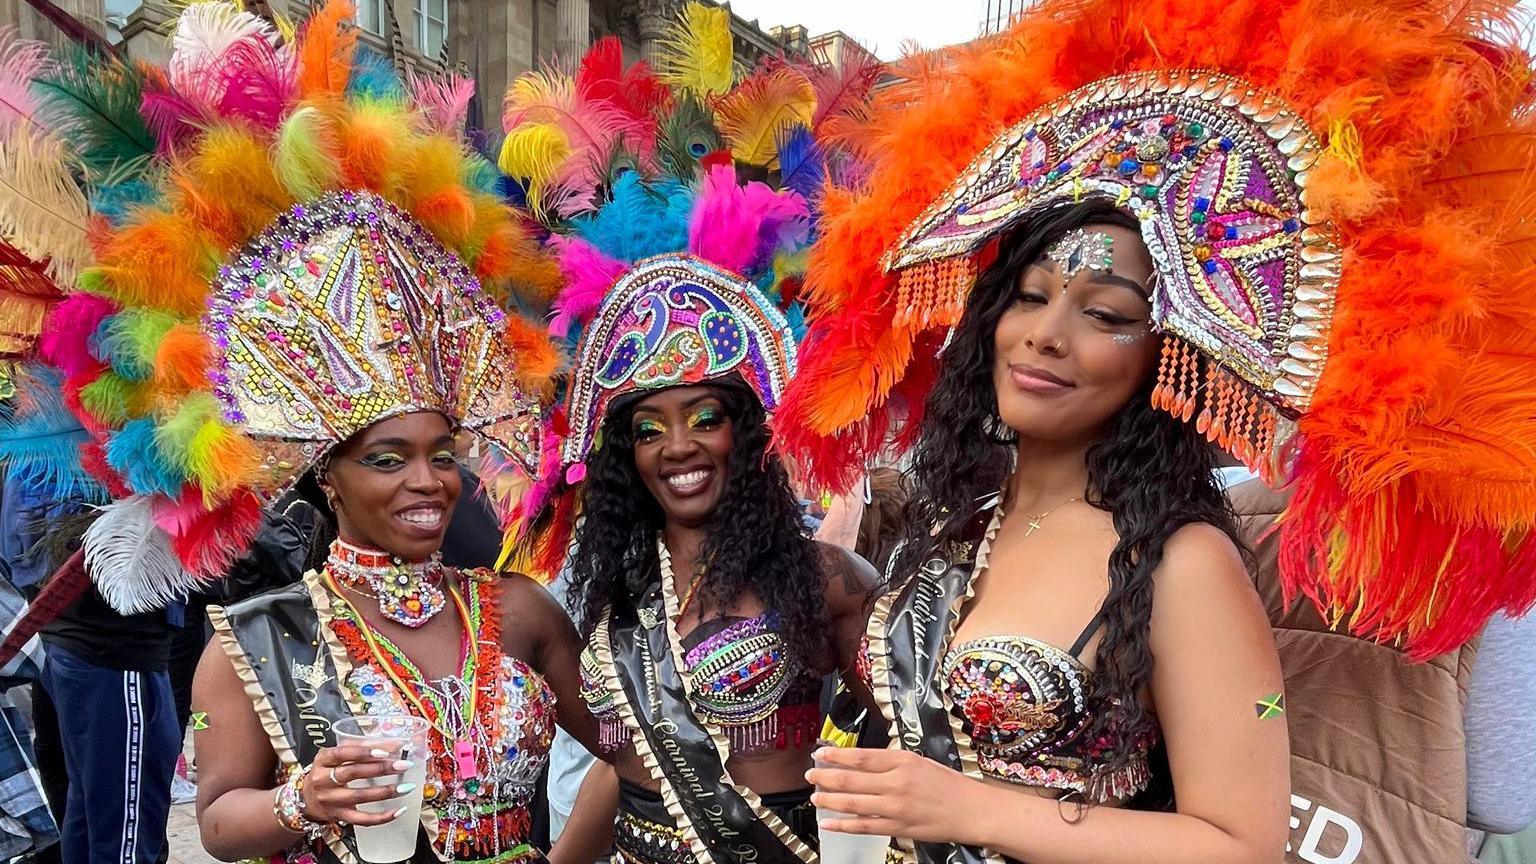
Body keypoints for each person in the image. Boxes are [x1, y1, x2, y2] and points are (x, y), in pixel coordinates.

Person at [777, 0, 1536, 861]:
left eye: (1104, 313)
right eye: (1028, 295)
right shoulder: (964, 515)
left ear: (1163, 356)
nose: (1046, 334)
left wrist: (967, 810)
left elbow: (1242, 843)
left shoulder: (1184, 563)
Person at [33, 3, 616, 861]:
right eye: (389, 458)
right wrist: (305, 798)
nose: (429, 482)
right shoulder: (259, 635)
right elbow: (222, 821)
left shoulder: (517, 610)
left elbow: (634, 750)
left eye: (441, 455)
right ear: (328, 477)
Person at [499, 8, 883, 861]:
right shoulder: (611, 577)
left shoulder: (826, 581)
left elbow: (912, 743)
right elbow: (636, 759)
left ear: (746, 435)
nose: (678, 445)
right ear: (621, 451)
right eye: (649, 427)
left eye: (706, 418)